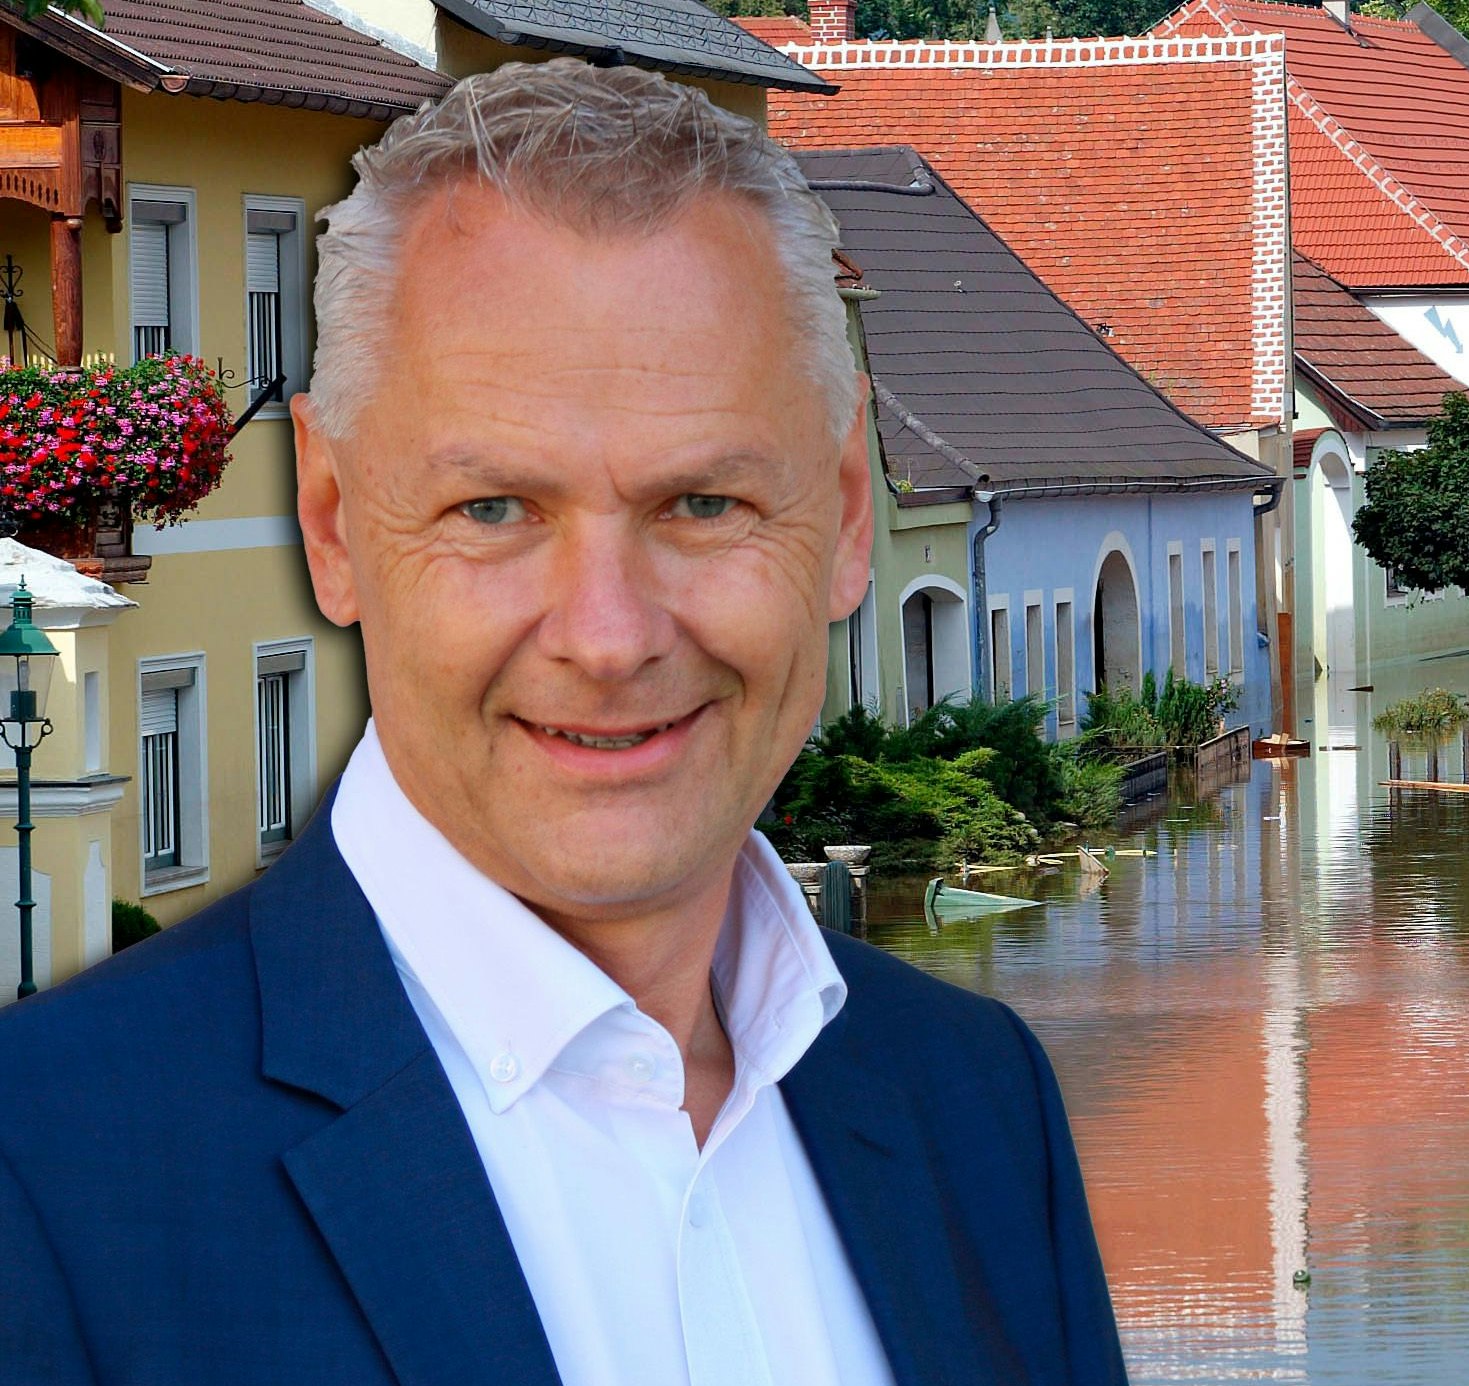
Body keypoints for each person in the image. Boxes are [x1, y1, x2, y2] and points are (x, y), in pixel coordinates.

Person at [0, 60, 1126, 1386]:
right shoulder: (46, 1173)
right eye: (494, 510)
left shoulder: (981, 1107)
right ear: (330, 520)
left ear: (847, 517)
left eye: (704, 503)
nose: (608, 635)